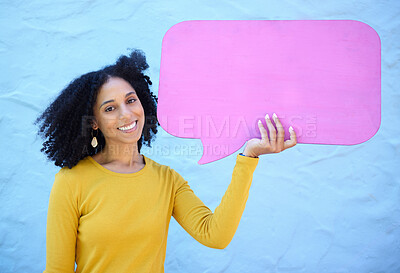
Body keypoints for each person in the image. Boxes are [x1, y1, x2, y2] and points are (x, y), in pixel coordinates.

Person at [35, 49, 297, 273]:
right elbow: (57, 269)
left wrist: (248, 157)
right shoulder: (71, 181)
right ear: (93, 122)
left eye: (130, 100)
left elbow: (215, 235)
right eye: (110, 108)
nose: (127, 114)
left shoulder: (167, 180)